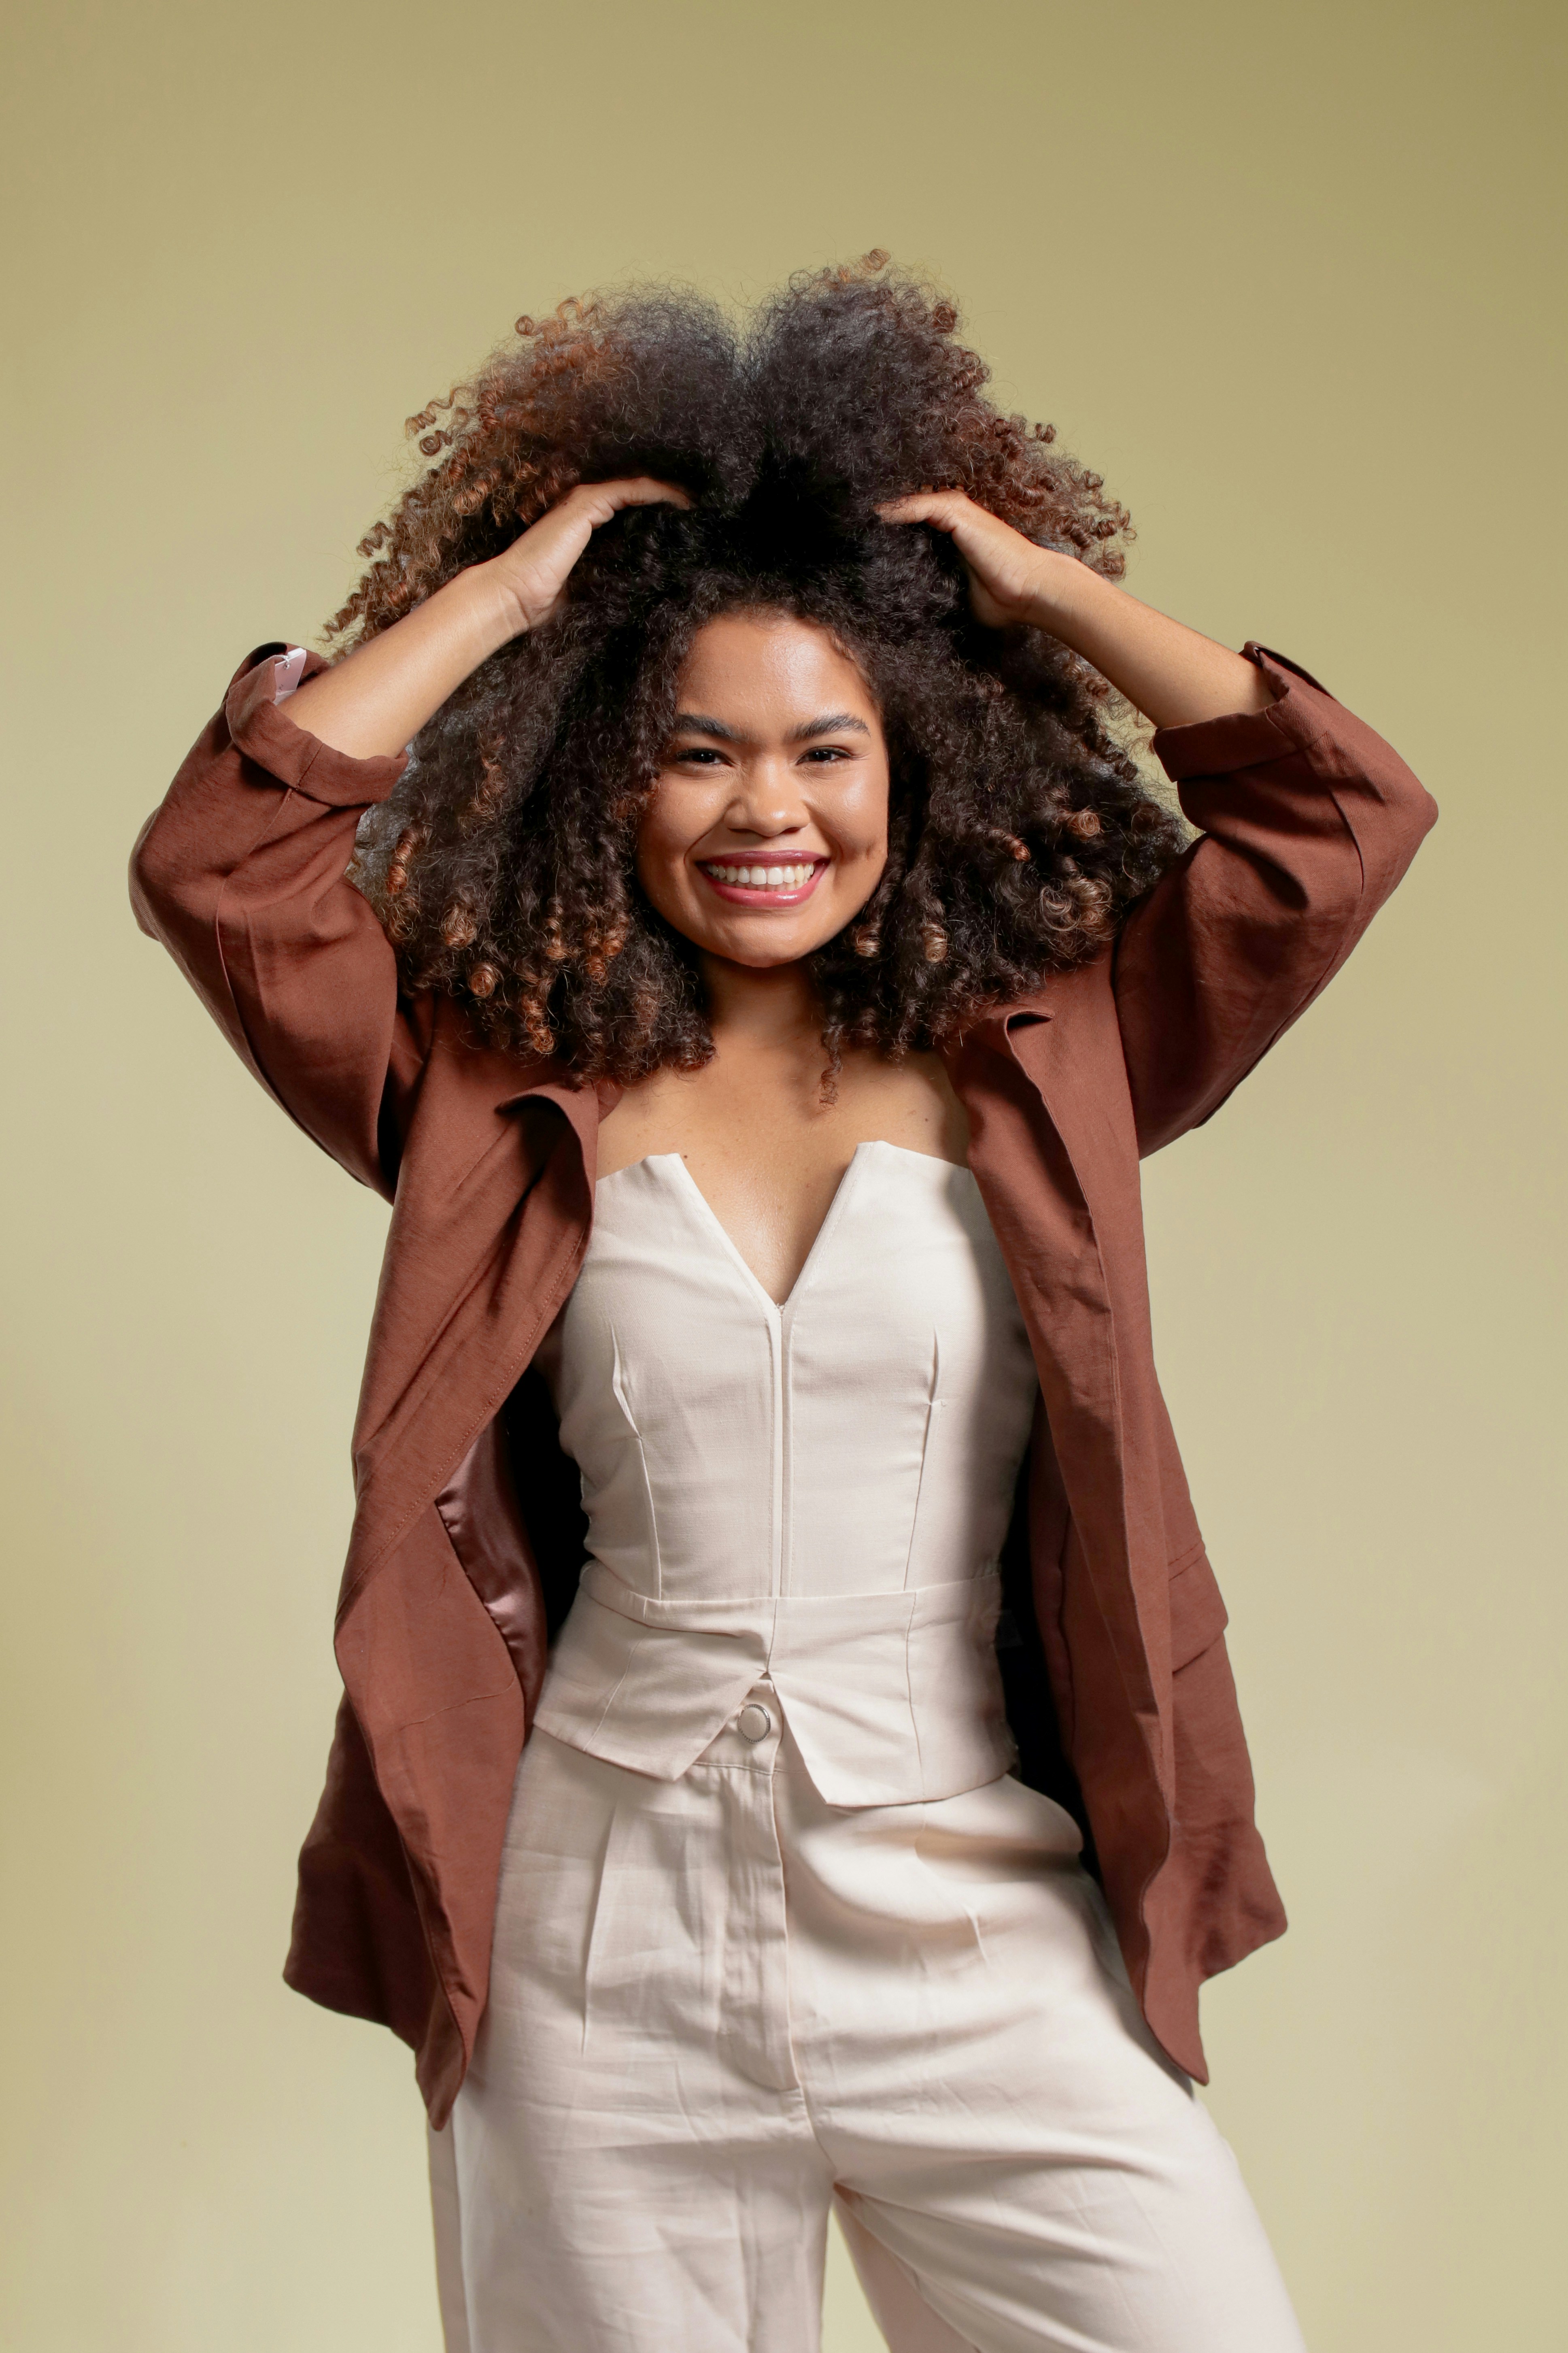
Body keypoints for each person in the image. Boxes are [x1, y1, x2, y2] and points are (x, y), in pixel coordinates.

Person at [130, 256, 1436, 2353]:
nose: (767, 810)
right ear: (593, 772)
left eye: (825, 748)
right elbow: (225, 863)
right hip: (595, 1945)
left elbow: (1333, 819)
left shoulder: (1049, 1060)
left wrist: (1043, 597)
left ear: (909, 758)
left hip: (983, 1926)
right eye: (692, 751)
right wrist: (503, 606)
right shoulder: (485, 1084)